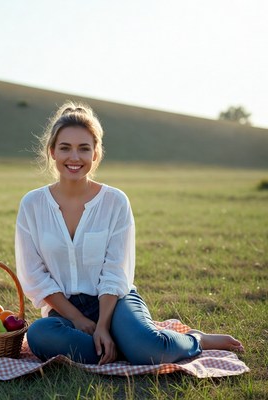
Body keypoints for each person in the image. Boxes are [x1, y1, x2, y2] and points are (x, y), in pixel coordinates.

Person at [15, 101, 244, 365]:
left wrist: (102, 325)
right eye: (65, 148)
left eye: (84, 149)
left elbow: (116, 269)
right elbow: (33, 274)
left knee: (150, 348)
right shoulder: (32, 205)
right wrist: (77, 319)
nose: (74, 157)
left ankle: (195, 339)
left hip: (116, 301)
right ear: (53, 151)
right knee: (38, 334)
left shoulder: (115, 202)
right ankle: (126, 345)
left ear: (96, 154)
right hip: (65, 310)